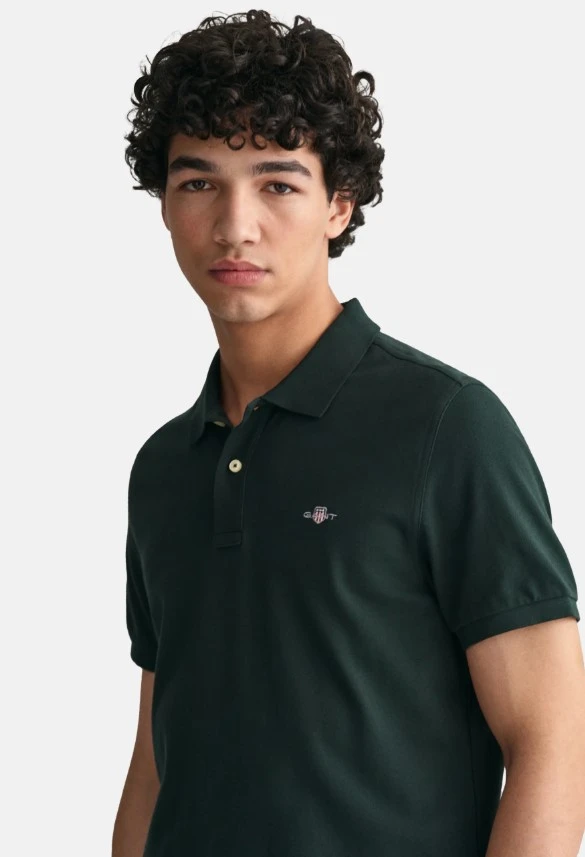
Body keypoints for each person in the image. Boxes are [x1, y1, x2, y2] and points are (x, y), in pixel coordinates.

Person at [113, 10, 585, 857]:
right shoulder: (164, 466)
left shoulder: (444, 426)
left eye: (277, 183)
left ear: (339, 203)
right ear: (165, 204)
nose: (235, 225)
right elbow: (156, 756)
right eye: (199, 182)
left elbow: (554, 741)